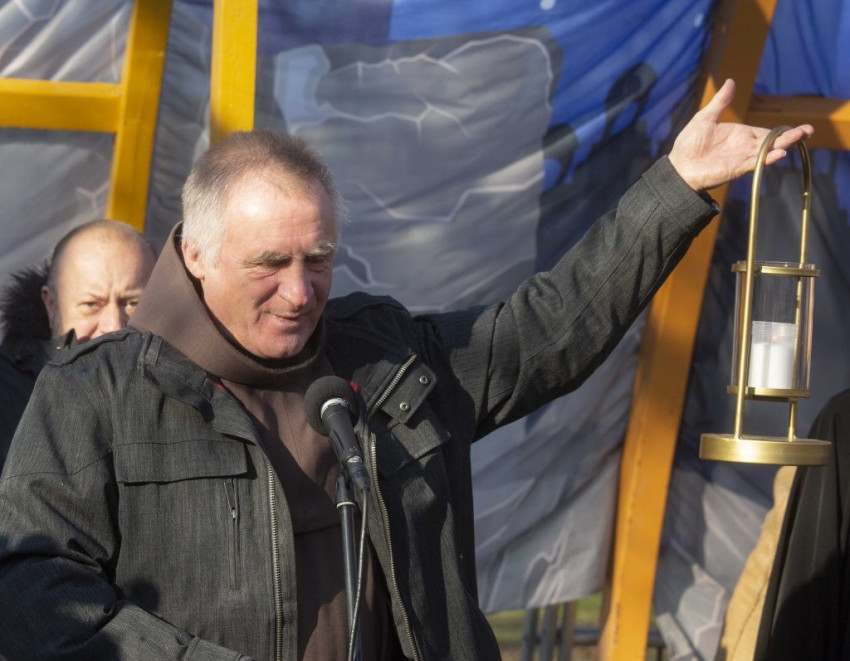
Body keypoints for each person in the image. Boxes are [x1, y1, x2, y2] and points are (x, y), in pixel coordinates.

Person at [0, 79, 813, 660]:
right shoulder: (94, 396)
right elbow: (33, 586)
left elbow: (543, 332)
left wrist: (674, 189)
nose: (300, 291)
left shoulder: (382, 359)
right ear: (197, 254)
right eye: (270, 262)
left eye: (319, 257)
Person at [0, 219, 157, 467]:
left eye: (132, 303)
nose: (114, 326)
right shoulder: (6, 398)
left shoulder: (195, 390)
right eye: (91, 305)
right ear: (52, 305)